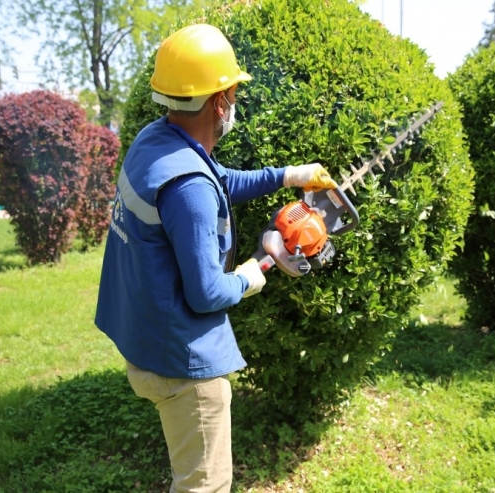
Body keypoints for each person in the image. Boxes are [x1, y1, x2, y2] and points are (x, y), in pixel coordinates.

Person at [94, 23, 336, 493]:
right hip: (182, 370)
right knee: (203, 486)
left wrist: (290, 175)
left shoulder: (155, 142)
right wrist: (255, 271)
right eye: (231, 94)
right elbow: (206, 294)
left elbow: (217, 178)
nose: (234, 104)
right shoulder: (190, 189)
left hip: (145, 343)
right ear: (219, 102)